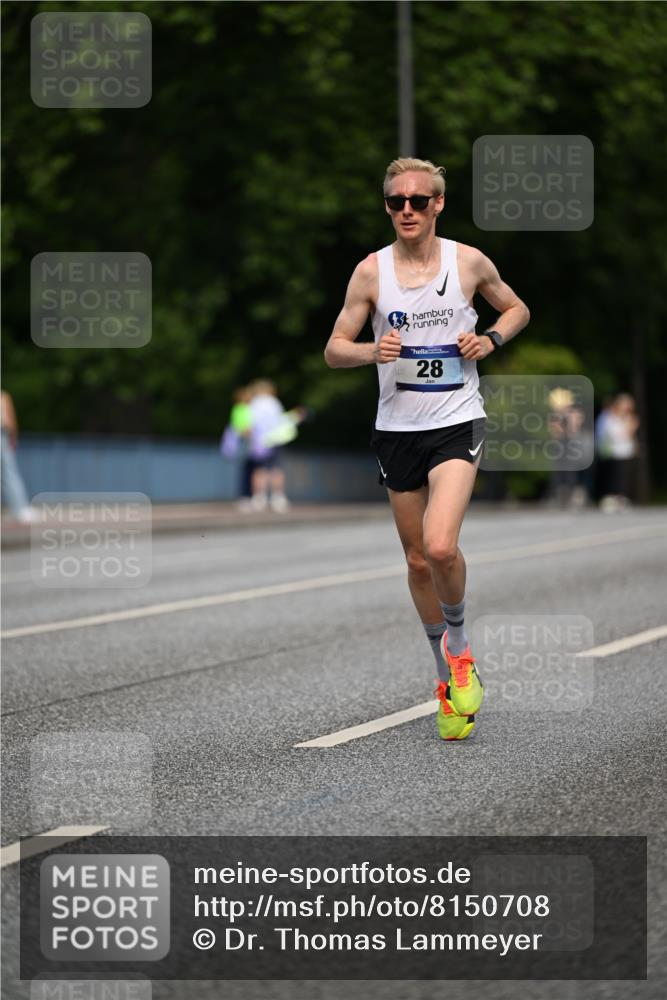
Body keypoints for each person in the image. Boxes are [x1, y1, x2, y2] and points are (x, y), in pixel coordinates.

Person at [324, 157, 530, 741]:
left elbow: (517, 308)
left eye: (418, 200)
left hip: (456, 421)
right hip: (396, 430)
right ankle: (445, 681)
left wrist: (489, 339)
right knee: (417, 561)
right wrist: (372, 352)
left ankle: (459, 649)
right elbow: (334, 349)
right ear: (387, 207)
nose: (407, 210)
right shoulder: (371, 273)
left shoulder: (468, 262)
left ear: (438, 204)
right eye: (397, 202)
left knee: (441, 546)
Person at [247, 380, 292, 512]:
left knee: (259, 469)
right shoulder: (274, 402)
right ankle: (278, 498)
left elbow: (250, 423)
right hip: (275, 439)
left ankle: (258, 498)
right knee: (276, 469)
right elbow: (280, 421)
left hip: (260, 441)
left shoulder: (254, 403)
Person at [595, 392, 638, 512]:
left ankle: (621, 498)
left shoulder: (629, 418)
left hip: (626, 451)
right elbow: (611, 434)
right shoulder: (610, 417)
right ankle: (611, 498)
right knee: (614, 476)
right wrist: (627, 430)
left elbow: (630, 435)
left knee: (624, 477)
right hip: (614, 452)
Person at [1, 389, 37, 523]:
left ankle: (17, 508)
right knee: (9, 473)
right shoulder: (2, 396)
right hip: (2, 435)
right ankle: (20, 508)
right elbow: (10, 419)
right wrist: (14, 436)